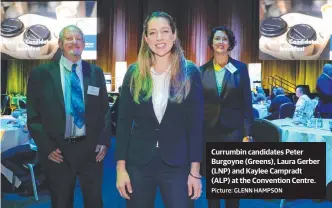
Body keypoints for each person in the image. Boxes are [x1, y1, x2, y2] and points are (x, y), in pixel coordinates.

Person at [115, 11, 203, 208]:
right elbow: (122, 123)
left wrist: (195, 172)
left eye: (164, 31)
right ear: (146, 39)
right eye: (152, 33)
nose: (159, 38)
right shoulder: (134, 73)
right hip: (138, 163)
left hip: (178, 163)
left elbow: (196, 127)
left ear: (174, 35)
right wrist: (121, 169)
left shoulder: (190, 73)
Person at [27, 25, 111, 208]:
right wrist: (47, 147)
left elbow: (105, 111)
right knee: (61, 202)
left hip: (91, 151)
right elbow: (33, 117)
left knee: (95, 201)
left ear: (84, 44)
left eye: (79, 39)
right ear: (60, 43)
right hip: (58, 152)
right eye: (69, 39)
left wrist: (104, 141)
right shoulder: (40, 75)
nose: (74, 42)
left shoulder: (95, 73)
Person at [200, 26, 253, 208]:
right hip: (210, 133)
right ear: (212, 43)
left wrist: (247, 134)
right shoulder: (201, 71)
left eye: (224, 39)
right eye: (217, 39)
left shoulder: (240, 69)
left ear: (230, 44)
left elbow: (247, 104)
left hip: (233, 132)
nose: (220, 42)